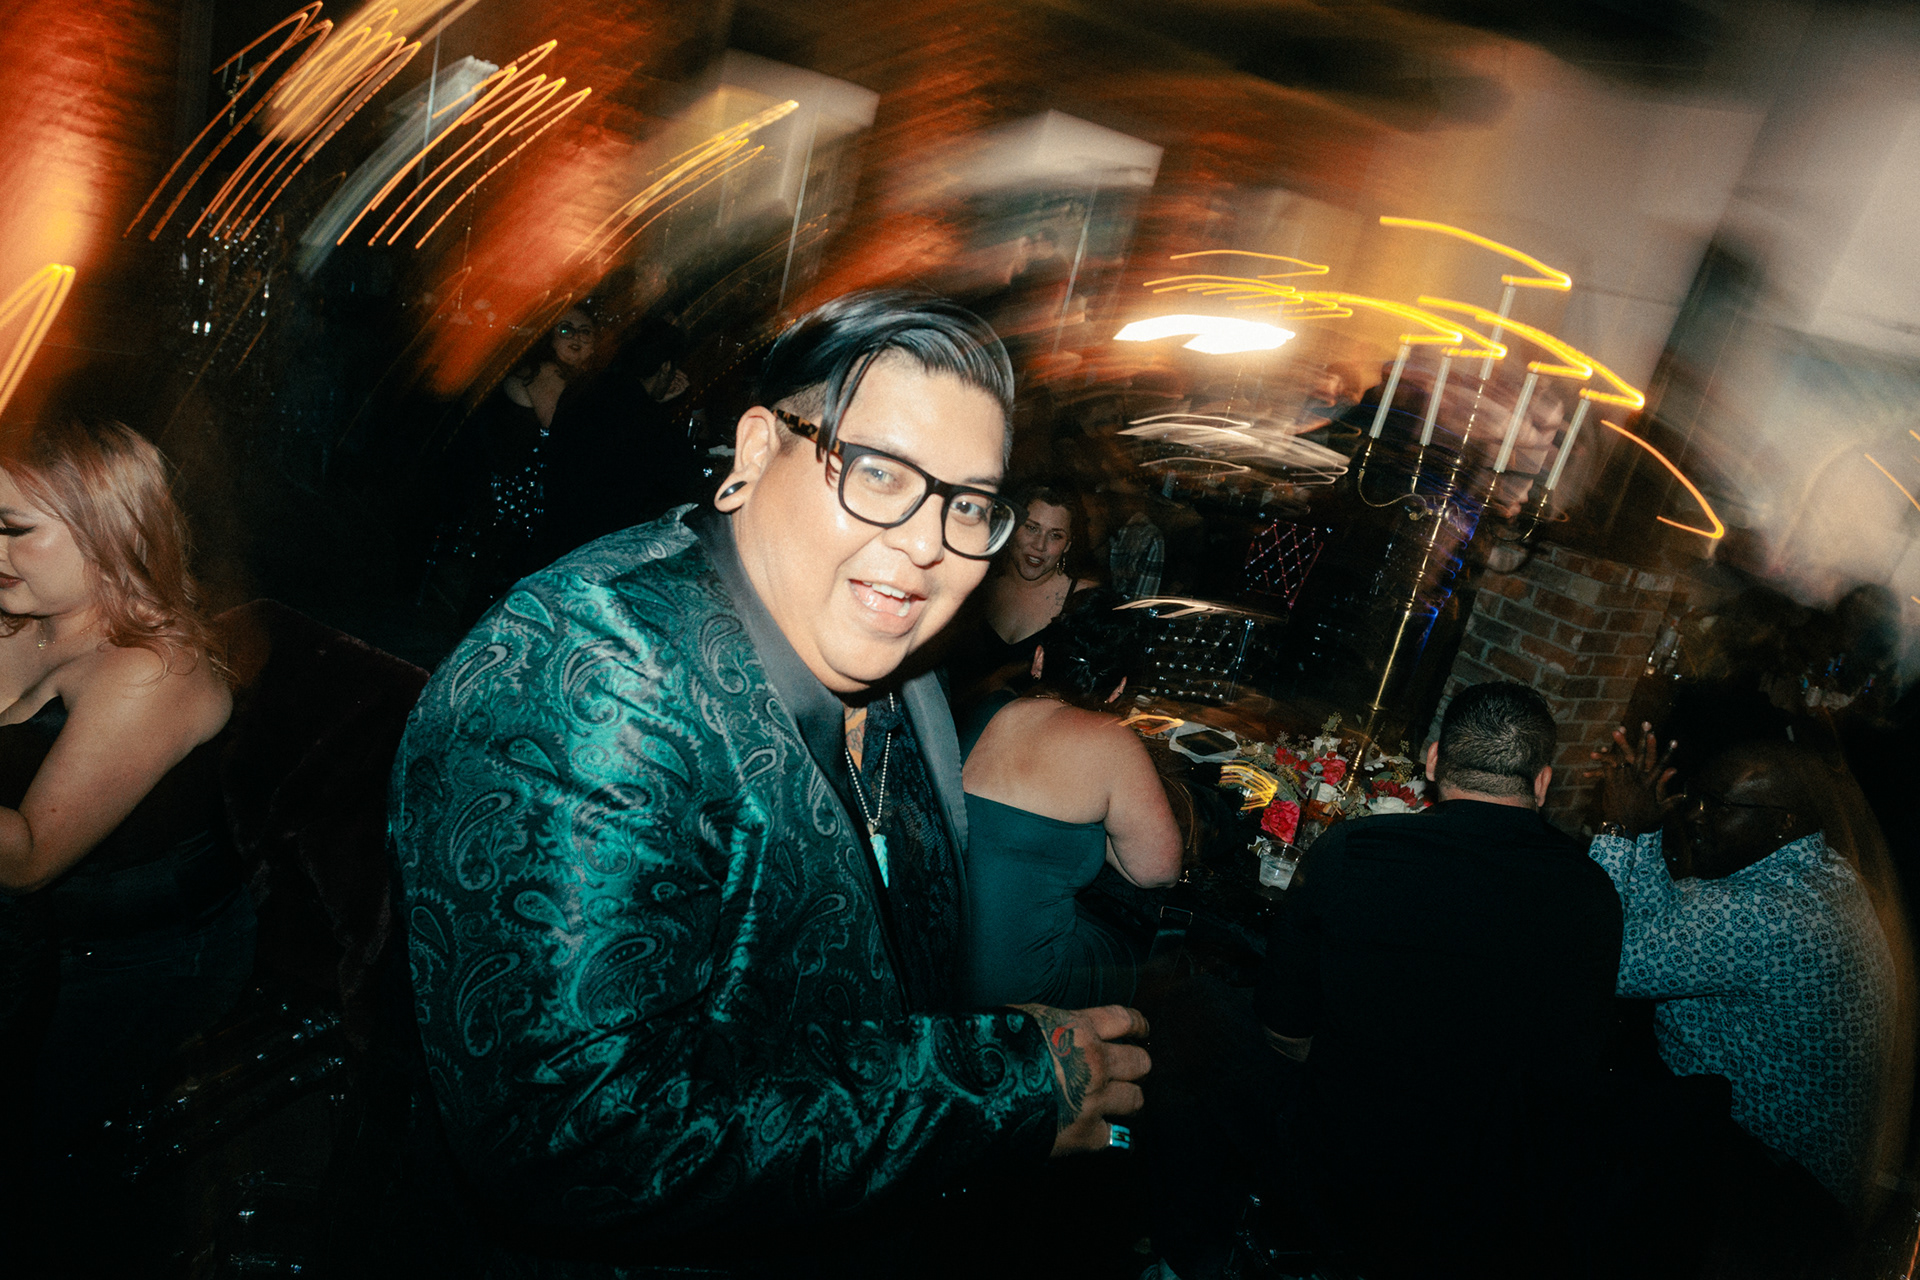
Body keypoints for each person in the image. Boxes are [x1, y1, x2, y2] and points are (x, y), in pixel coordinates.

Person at [384, 290, 1151, 1277]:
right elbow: (576, 1132)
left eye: (966, 503)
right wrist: (999, 1085)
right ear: (753, 452)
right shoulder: (594, 676)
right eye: (878, 471)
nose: (928, 542)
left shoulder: (901, 669)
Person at [1253, 681, 1623, 1278]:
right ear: (1542, 783)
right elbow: (1567, 1074)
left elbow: (1283, 1027)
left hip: (1338, 1164)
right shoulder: (1591, 894)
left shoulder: (1352, 850)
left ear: (1431, 761)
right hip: (1481, 1201)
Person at [0, 419, 245, 1257]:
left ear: (110, 530)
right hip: (41, 936)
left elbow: (28, 861)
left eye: (14, 529)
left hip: (127, 961)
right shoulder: (29, 610)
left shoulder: (150, 669)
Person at [1588, 727, 1896, 1217]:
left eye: (1719, 806)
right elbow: (1669, 921)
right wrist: (1645, 832)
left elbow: (1599, 960)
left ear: (1783, 822)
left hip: (1770, 1176)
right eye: (1697, 797)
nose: (1695, 815)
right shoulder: (1821, 870)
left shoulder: (1771, 914)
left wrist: (1616, 827)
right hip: (1801, 1155)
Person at [958, 587, 1181, 1008]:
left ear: (1039, 659)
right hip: (1022, 990)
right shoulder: (1111, 741)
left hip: (941, 966)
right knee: (1155, 959)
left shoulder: (985, 709)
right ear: (1118, 689)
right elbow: (1158, 871)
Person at [947, 482, 1098, 706]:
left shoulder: (1084, 601)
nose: (1040, 545)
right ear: (1011, 527)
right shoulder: (973, 581)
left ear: (1067, 545)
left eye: (1055, 535)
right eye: (1032, 528)